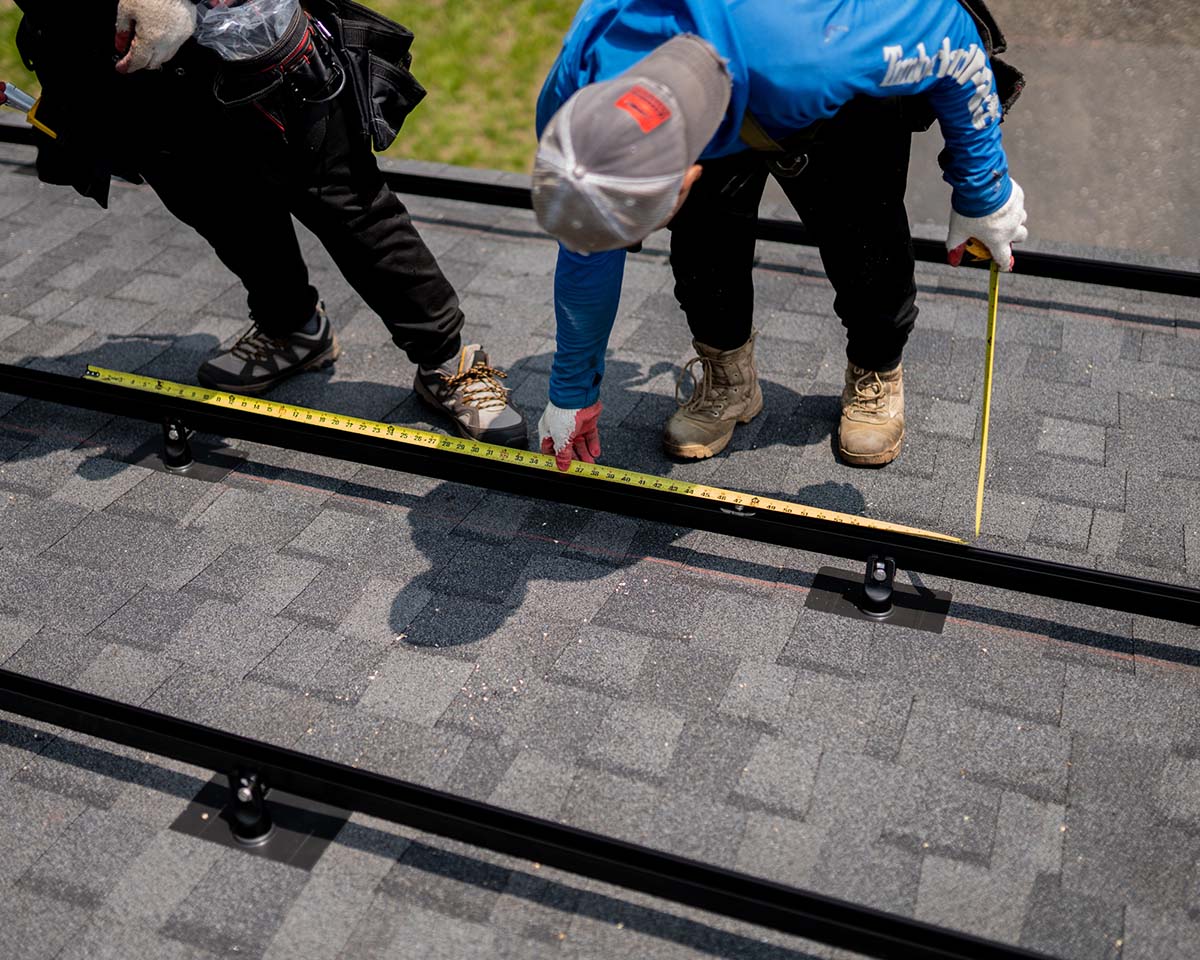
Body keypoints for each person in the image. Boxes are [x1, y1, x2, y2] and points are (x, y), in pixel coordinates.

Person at [532, 0, 1027, 470]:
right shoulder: (579, 88)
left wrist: (984, 191)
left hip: (827, 69)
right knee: (703, 249)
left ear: (684, 176)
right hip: (743, 72)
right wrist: (572, 392)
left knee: (867, 243)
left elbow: (954, 42)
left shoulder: (814, 55)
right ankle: (730, 379)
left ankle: (877, 367)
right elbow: (588, 247)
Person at [11, 0, 528, 448]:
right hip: (118, 59)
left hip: (245, 36)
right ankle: (293, 328)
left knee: (344, 198)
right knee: (215, 202)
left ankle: (447, 361)